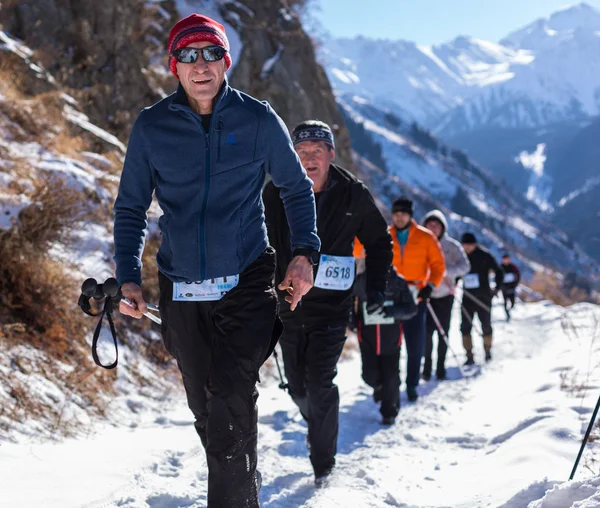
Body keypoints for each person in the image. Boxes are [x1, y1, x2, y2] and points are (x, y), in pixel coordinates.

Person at [113, 14, 320, 507]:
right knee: (208, 410)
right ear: (174, 66)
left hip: (247, 278)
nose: (200, 65)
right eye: (188, 55)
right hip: (180, 285)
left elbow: (295, 188)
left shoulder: (257, 119)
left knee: (228, 394)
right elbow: (130, 206)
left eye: (210, 53)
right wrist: (127, 276)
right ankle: (241, 479)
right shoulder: (153, 126)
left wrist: (304, 254)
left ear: (226, 61)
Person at [263, 120, 392, 485]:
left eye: (316, 151)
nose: (308, 159)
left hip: (333, 310)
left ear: (330, 154)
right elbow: (257, 243)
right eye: (301, 153)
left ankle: (324, 461)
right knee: (299, 388)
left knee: (320, 382)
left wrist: (376, 285)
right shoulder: (275, 194)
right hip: (286, 306)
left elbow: (379, 243)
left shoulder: (353, 193)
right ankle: (316, 420)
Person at [388, 197, 445, 401]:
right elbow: (361, 251)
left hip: (416, 296)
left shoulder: (426, 237)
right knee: (391, 344)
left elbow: (438, 265)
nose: (399, 217)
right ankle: (390, 385)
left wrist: (430, 286)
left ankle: (412, 384)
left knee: (415, 344)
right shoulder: (385, 235)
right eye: (396, 213)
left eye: (403, 213)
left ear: (410, 215)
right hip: (392, 295)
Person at [353, 255, 417, 425]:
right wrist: (352, 322)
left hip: (391, 339)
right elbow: (349, 303)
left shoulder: (398, 282)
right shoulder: (360, 280)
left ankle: (389, 411)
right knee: (369, 375)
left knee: (391, 377)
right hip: (367, 338)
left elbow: (411, 309)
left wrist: (392, 311)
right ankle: (378, 387)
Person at [422, 210, 470, 381]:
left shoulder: (452, 246)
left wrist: (446, 272)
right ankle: (426, 368)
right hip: (425, 295)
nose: (433, 228)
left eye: (437, 225)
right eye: (430, 224)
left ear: (443, 227)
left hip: (445, 295)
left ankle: (440, 367)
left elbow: (465, 266)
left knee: (443, 332)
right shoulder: (420, 243)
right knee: (426, 334)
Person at [460, 233, 503, 364]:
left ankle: (487, 350)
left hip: (483, 297)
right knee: (465, 326)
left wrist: (496, 288)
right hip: (467, 298)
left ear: (474, 244)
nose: (467, 248)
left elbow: (499, 271)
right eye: (465, 245)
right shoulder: (461, 257)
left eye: (469, 245)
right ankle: (469, 355)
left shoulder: (485, 256)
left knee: (486, 325)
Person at [500, 253, 520, 321]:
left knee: (512, 302)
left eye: (507, 259)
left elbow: (518, 276)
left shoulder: (513, 267)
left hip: (512, 287)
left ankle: (509, 309)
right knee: (505, 302)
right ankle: (507, 314)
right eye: (504, 259)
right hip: (504, 288)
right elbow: (497, 277)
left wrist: (515, 285)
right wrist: (500, 286)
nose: (506, 260)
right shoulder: (500, 267)